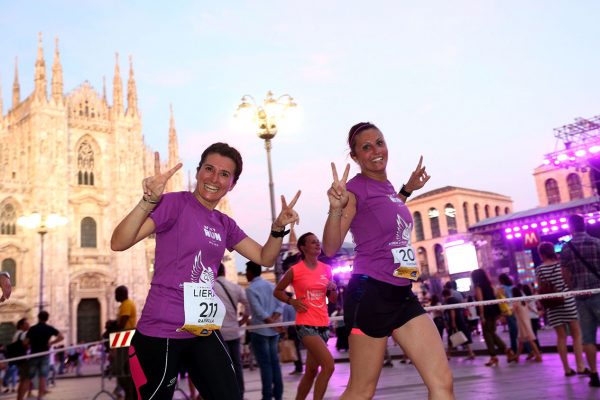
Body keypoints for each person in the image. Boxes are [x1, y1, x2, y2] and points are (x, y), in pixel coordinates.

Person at [110, 143, 300, 400]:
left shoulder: (224, 223)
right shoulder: (174, 203)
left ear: (231, 184)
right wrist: (148, 200)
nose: (214, 178)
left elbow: (264, 256)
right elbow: (119, 242)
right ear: (198, 171)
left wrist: (278, 228)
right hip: (161, 329)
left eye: (224, 174)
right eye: (209, 169)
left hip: (202, 328)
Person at [322, 122, 453, 399]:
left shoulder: (387, 187)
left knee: (442, 384)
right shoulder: (354, 189)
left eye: (379, 143)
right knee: (361, 390)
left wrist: (407, 189)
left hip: (401, 293)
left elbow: (382, 213)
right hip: (370, 293)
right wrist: (335, 209)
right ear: (355, 157)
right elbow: (331, 246)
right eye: (366, 147)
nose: (376, 151)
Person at [274, 232, 337, 400]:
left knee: (310, 371)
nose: (318, 244)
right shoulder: (295, 270)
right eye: (313, 242)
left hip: (323, 324)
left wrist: (333, 289)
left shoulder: (327, 269)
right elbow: (277, 291)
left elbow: (332, 300)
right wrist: (291, 301)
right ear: (303, 247)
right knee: (329, 366)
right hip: (306, 324)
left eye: (318, 242)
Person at [560, 214, 600, 387]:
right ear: (584, 225)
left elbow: (565, 274)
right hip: (599, 292)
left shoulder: (567, 248)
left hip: (581, 297)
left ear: (571, 227)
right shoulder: (597, 243)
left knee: (588, 338)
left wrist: (571, 287)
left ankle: (594, 374)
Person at [245, 261, 284, 400]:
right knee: (275, 363)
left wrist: (270, 323)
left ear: (250, 272)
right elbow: (281, 305)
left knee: (265, 365)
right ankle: (278, 395)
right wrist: (274, 322)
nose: (245, 274)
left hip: (260, 331)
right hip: (273, 332)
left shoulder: (250, 289)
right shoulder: (271, 285)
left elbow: (258, 312)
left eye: (246, 271)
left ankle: (267, 396)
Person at [213, 263, 250, 397]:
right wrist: (242, 321)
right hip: (234, 331)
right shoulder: (235, 287)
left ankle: (225, 394)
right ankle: (239, 393)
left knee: (221, 366)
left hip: (218, 334)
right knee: (237, 365)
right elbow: (248, 305)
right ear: (224, 271)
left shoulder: (211, 288)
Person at [471, 269, 515, 366]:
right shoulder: (490, 285)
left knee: (487, 334)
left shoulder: (478, 286)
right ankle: (506, 351)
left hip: (486, 312)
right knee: (491, 333)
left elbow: (481, 302)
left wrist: (482, 315)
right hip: (494, 311)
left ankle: (495, 356)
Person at [19, 311, 64, 400]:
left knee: (28, 378)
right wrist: (51, 343)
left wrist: (29, 344)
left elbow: (25, 342)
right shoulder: (49, 328)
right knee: (42, 377)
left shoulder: (32, 329)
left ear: (38, 318)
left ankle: (21, 398)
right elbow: (61, 337)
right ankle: (40, 397)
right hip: (44, 355)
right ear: (47, 319)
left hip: (34, 354)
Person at [114, 285, 137, 400]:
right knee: (121, 368)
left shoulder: (127, 304)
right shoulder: (123, 305)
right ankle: (127, 391)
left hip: (125, 337)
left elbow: (122, 323)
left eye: (116, 294)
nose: (115, 296)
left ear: (122, 294)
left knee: (121, 368)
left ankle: (128, 391)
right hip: (122, 337)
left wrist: (112, 326)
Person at [510, 286, 542, 362]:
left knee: (529, 340)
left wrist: (505, 312)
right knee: (521, 341)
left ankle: (538, 355)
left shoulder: (516, 302)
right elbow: (530, 308)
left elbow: (511, 311)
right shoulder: (523, 301)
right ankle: (517, 356)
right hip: (527, 321)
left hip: (522, 323)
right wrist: (537, 312)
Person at [442, 289, 475, 360]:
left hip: (455, 321)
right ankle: (471, 353)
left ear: (445, 296)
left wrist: (453, 322)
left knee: (451, 337)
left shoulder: (449, 301)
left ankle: (448, 355)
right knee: (465, 336)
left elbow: (452, 311)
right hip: (461, 320)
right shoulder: (456, 299)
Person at [497, 273, 520, 354]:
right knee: (516, 329)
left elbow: (501, 301)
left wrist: (502, 313)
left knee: (513, 331)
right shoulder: (513, 287)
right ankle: (518, 348)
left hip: (508, 310)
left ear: (501, 280)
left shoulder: (502, 288)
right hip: (516, 309)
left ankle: (518, 348)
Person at [282, 293, 304, 375]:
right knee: (298, 348)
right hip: (300, 327)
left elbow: (285, 321)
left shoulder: (286, 306)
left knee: (295, 349)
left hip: (292, 329)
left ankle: (298, 368)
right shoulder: (297, 304)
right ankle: (300, 367)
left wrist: (285, 333)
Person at [521, 284, 541, 352]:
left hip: (529, 317)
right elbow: (537, 304)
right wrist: (537, 312)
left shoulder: (523, 297)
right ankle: (538, 349)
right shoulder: (533, 296)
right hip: (535, 316)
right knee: (535, 333)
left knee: (531, 334)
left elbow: (528, 307)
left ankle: (536, 350)